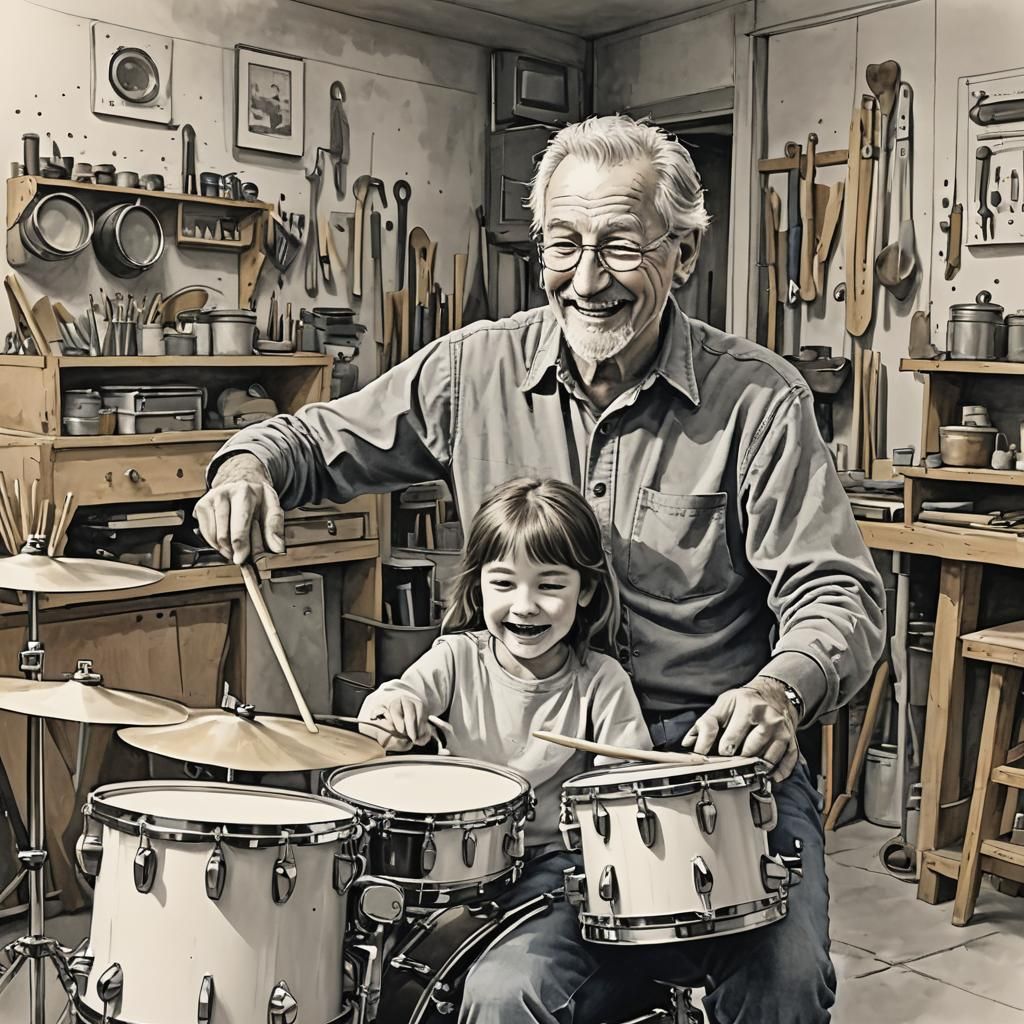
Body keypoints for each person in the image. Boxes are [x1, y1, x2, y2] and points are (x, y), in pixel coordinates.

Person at [197, 114, 886, 1023]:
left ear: (681, 252)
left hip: (710, 767)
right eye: (563, 245)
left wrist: (782, 693)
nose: (586, 279)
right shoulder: (473, 368)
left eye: (620, 248)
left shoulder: (757, 399)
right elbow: (311, 439)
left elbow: (837, 593)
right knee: (501, 991)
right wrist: (245, 468)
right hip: (532, 784)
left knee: (784, 983)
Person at [356, 476, 652, 857]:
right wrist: (392, 713)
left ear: (586, 591)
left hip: (555, 860)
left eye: (549, 586)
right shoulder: (456, 656)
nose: (525, 605)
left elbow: (625, 789)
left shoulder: (602, 680)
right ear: (479, 586)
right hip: (454, 854)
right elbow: (384, 711)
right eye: (504, 583)